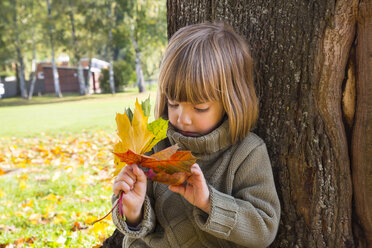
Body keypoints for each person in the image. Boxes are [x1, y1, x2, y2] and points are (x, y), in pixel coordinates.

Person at [112, 22, 280, 248]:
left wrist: (209, 203)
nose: (182, 118)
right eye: (173, 103)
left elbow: (263, 229)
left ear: (231, 101)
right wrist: (132, 212)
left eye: (199, 108)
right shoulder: (153, 143)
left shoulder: (246, 153)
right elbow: (134, 232)